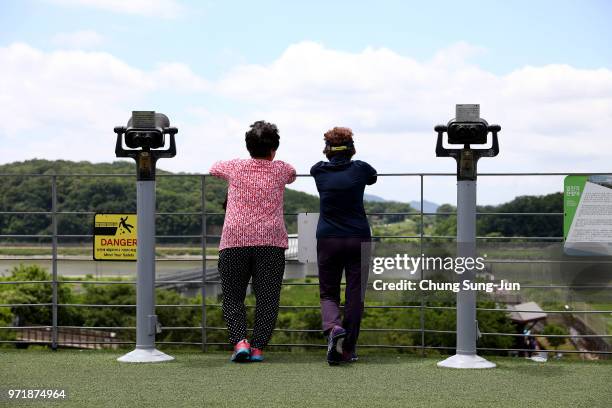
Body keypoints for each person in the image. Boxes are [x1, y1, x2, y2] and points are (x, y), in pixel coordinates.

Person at [209, 120, 296, 362]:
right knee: (267, 297)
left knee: (232, 295)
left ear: (248, 146)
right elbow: (292, 175)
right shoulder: (281, 168)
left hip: (234, 239)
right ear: (274, 149)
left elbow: (213, 168)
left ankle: (240, 343)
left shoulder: (235, 167)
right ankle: (258, 348)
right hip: (271, 241)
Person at [310, 127, 377, 365]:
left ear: (327, 149)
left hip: (328, 238)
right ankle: (348, 350)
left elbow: (323, 164)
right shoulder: (361, 169)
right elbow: (373, 177)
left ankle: (333, 327)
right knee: (355, 294)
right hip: (358, 237)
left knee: (328, 292)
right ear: (352, 149)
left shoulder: (318, 170)